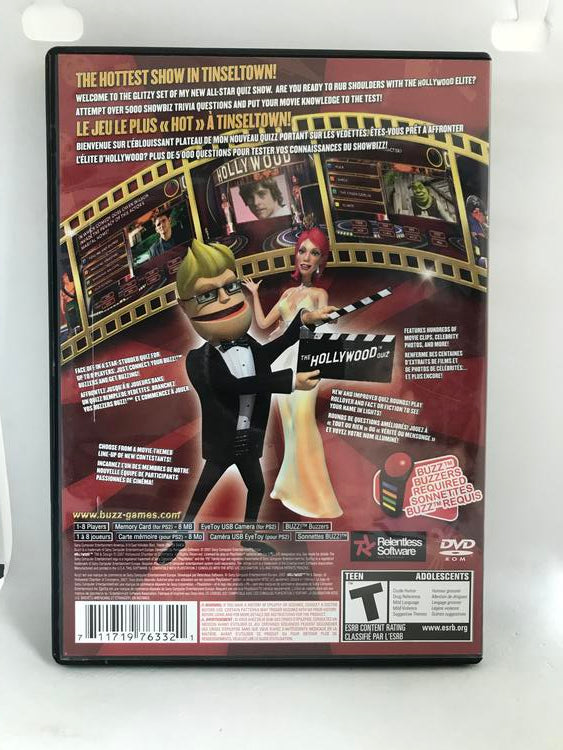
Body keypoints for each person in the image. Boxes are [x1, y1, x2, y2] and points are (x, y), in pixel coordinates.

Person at [157, 238, 335, 565]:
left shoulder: (250, 345)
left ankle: (248, 536)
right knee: (200, 494)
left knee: (257, 488)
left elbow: (274, 348)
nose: (226, 299)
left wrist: (303, 321)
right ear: (186, 307)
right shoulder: (197, 360)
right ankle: (178, 540)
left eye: (231, 287)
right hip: (222, 444)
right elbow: (236, 386)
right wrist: (289, 382)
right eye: (208, 295)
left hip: (249, 441)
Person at [243, 226, 343, 518]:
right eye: (302, 251)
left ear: (321, 259)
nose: (307, 257)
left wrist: (330, 319)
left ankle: (318, 498)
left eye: (314, 252)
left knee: (303, 422)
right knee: (289, 426)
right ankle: (288, 487)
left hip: (307, 360)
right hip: (282, 363)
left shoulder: (319, 293)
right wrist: (254, 294)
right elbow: (263, 324)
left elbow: (325, 323)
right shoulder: (287, 294)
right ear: (296, 255)